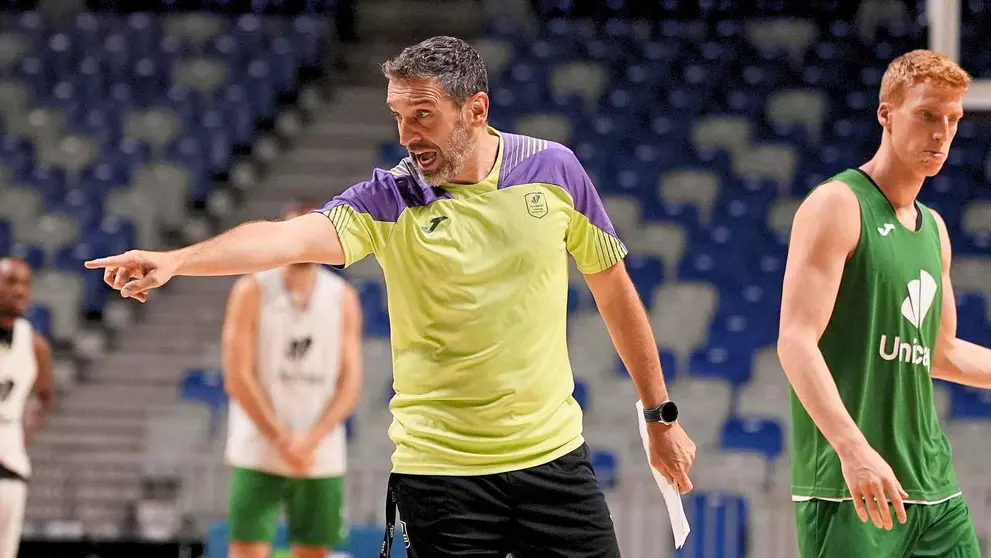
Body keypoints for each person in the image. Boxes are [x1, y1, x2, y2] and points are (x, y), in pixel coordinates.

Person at [84, 35, 696, 557]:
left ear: (475, 109)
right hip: (441, 475)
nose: (406, 135)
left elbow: (615, 293)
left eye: (423, 115)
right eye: (397, 116)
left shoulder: (555, 172)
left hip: (555, 460)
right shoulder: (388, 200)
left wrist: (658, 414)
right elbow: (284, 238)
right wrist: (176, 261)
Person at [778, 49, 987, 558]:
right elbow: (795, 341)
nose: (941, 133)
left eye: (953, 120)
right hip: (851, 486)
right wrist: (853, 451)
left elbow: (942, 353)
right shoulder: (838, 205)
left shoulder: (934, 229)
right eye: (927, 115)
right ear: (886, 114)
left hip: (933, 487)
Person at [221, 200, 363, 558]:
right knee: (247, 550)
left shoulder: (342, 297)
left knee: (314, 550)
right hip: (259, 445)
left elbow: (351, 382)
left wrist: (309, 441)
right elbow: (237, 376)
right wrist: (283, 440)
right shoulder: (251, 289)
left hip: (320, 449)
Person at [0, 257, 54, 558]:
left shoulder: (35, 345)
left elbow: (45, 396)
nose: (20, 291)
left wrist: (21, 435)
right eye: (11, 282)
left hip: (10, 466)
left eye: (25, 284)